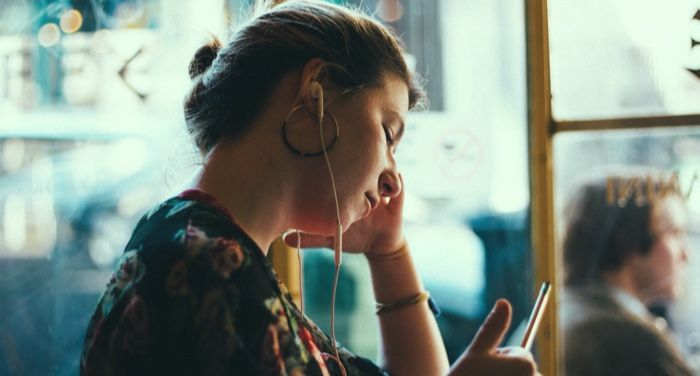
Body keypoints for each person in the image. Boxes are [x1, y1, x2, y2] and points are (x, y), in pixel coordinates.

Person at [80, 1, 539, 374]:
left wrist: (388, 249)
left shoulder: (193, 241)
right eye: (387, 132)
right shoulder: (214, 270)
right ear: (314, 94)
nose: (393, 177)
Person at [559, 168, 694, 376]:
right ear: (631, 241)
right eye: (674, 233)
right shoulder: (631, 340)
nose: (686, 254)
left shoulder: (558, 312)